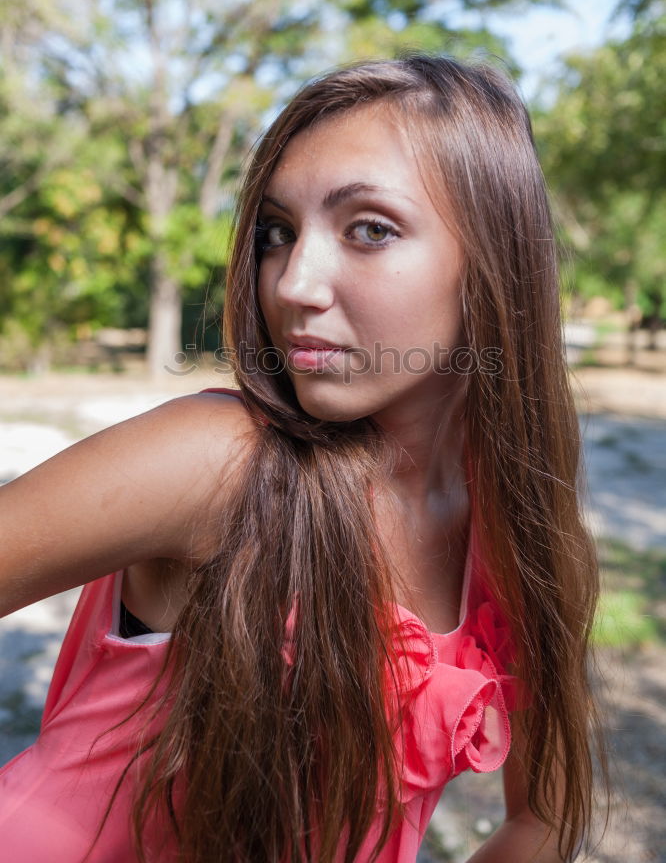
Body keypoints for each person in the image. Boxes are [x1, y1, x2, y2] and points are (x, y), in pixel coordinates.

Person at [0, 55, 604, 862]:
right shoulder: (218, 464)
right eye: (278, 232)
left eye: (369, 230)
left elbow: (545, 820)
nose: (292, 283)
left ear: (494, 265)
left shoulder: (522, 530)